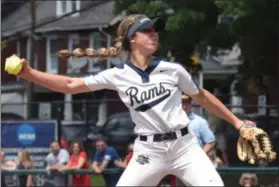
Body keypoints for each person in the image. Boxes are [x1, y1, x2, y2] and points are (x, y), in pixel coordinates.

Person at [8, 14, 253, 186]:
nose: (154, 34)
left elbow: (202, 97)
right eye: (147, 30)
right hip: (149, 151)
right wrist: (28, 73)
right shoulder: (117, 75)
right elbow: (71, 85)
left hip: (185, 147)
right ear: (132, 39)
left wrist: (237, 122)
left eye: (155, 30)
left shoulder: (172, 69)